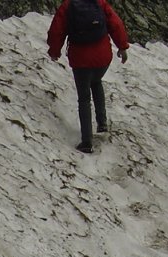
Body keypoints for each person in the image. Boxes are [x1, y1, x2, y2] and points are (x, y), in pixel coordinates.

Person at [46, 0, 130, 154]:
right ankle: (102, 124)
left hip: (80, 60)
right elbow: (115, 24)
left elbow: (56, 31)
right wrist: (122, 47)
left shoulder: (67, 6)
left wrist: (54, 51)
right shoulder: (100, 2)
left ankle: (86, 141)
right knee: (96, 82)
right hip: (102, 58)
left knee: (84, 99)